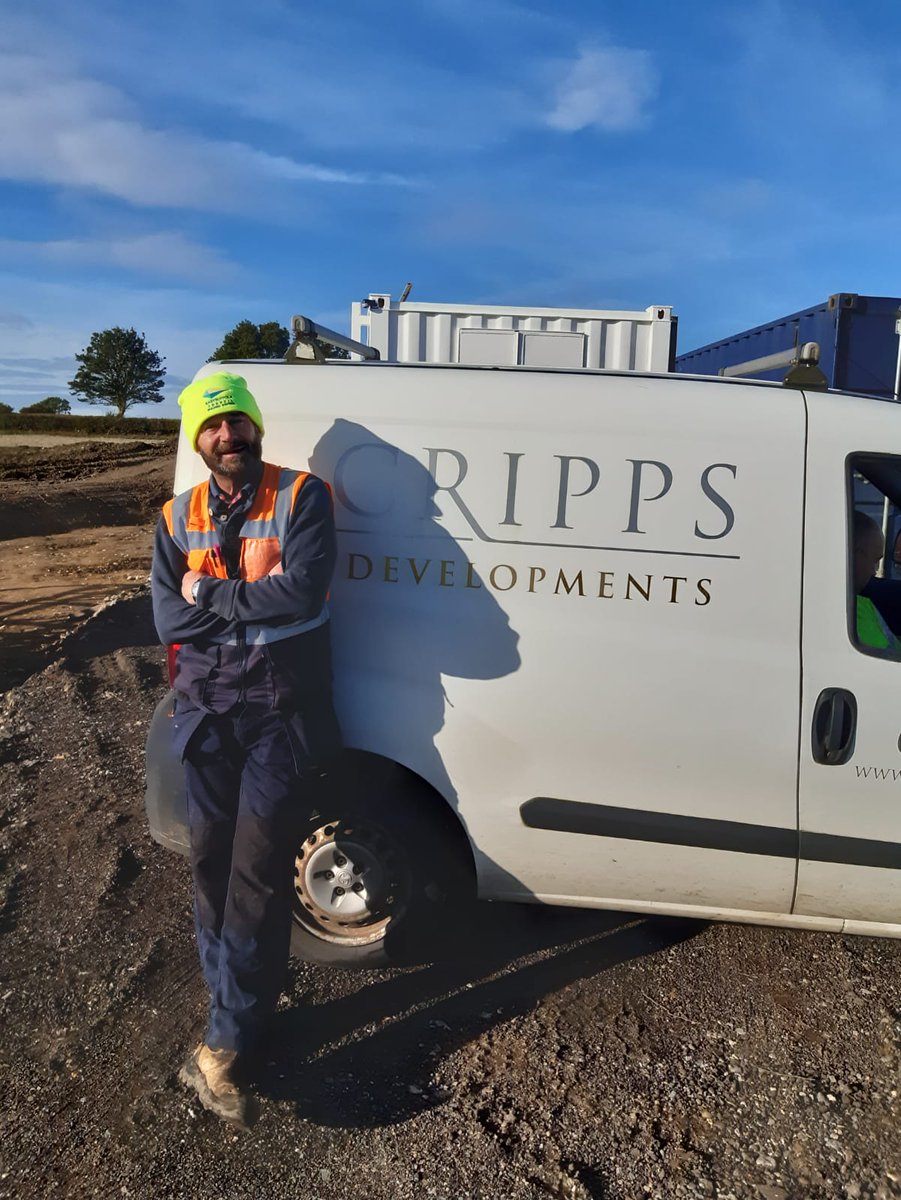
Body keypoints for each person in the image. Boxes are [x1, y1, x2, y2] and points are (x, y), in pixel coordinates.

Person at [150, 372, 341, 1129]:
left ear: (256, 426)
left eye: (237, 420)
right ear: (197, 440)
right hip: (206, 712)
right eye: (212, 425)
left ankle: (225, 1042)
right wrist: (227, 606)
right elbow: (167, 621)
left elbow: (302, 593)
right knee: (209, 863)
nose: (227, 434)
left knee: (256, 874)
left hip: (278, 715)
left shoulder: (302, 496)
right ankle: (236, 1011)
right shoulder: (176, 516)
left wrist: (207, 595)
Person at [852, 509, 900, 652]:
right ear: (856, 557)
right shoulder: (855, 609)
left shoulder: (864, 605)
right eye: (874, 562)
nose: (874, 572)